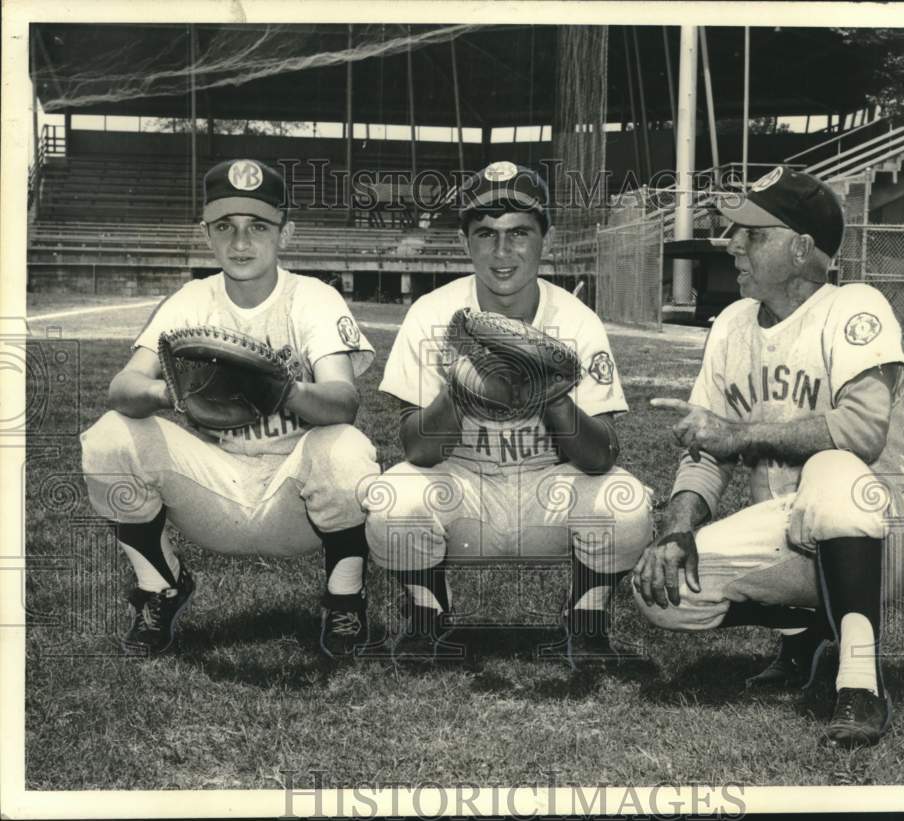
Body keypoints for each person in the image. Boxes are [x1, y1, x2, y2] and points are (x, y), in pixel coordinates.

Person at [632, 166, 904, 747]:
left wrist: (738, 435)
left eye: (753, 233)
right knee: (667, 596)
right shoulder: (733, 324)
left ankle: (860, 683)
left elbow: (861, 431)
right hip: (791, 531)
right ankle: (808, 633)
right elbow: (706, 451)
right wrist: (678, 529)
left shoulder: (855, 306)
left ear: (801, 249)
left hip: (881, 523)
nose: (732, 244)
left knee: (835, 470)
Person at [80, 159, 380, 659]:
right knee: (111, 437)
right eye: (226, 227)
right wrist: (172, 394)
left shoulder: (313, 298)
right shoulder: (192, 299)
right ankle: (161, 587)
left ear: (285, 231)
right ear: (207, 234)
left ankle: (345, 599)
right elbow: (123, 386)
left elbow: (343, 402)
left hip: (299, 497)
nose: (241, 243)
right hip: (217, 489)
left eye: (257, 227)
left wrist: (279, 391)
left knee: (346, 447)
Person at [364, 161, 654, 663]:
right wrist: (462, 388)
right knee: (392, 500)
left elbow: (602, 454)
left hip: (547, 489)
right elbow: (414, 447)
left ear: (547, 237)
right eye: (486, 234)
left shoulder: (576, 321)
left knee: (625, 506)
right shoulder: (433, 314)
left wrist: (550, 393)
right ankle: (426, 611)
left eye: (519, 232)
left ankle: (587, 618)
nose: (502, 252)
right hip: (464, 488)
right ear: (465, 243)